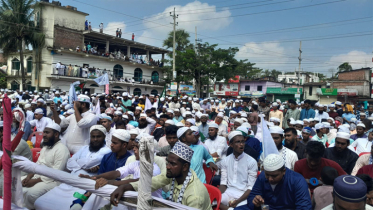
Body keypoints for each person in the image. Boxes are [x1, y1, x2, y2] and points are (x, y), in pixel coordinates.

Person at [110, 141, 213, 210]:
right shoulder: (175, 175)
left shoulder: (195, 196)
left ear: (185, 167)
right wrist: (124, 187)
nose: (167, 167)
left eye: (172, 164)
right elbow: (153, 182)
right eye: (168, 162)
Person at [33, 125, 111, 210]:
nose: (95, 139)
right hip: (70, 180)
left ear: (104, 137)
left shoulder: (107, 151)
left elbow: (88, 163)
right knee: (40, 202)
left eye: (98, 136)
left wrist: (78, 163)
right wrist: (82, 167)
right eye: (93, 136)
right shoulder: (84, 148)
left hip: (85, 183)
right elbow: (69, 163)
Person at [235, 154, 312, 210]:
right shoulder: (262, 176)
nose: (270, 179)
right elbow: (252, 196)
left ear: (283, 171)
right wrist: (255, 202)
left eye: (274, 176)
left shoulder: (297, 180)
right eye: (267, 175)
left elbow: (304, 207)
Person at [22, 123, 70, 209]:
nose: (44, 135)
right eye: (44, 132)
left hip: (54, 180)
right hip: (39, 176)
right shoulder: (45, 147)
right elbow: (37, 165)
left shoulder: (62, 149)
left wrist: (35, 181)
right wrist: (29, 177)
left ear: (56, 134)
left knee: (31, 194)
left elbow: (55, 173)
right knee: (16, 182)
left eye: (47, 133)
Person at [219, 131, 258, 210]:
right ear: (231, 145)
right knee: (212, 201)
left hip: (244, 195)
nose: (241, 144)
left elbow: (250, 188)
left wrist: (237, 201)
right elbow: (223, 183)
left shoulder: (251, 161)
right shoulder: (225, 161)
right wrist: (217, 195)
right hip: (228, 192)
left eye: (243, 142)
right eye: (238, 142)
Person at [0, 121, 32, 196]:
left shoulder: (18, 143)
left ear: (1, 132)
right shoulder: (3, 140)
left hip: (21, 172)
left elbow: (5, 160)